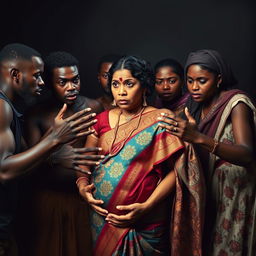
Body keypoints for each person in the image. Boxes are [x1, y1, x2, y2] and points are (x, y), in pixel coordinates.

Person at [76, 56, 205, 255]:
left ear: (144, 86)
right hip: (102, 222)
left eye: (129, 83)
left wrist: (145, 207)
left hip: (148, 222)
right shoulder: (100, 121)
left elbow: (176, 172)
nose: (121, 91)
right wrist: (83, 187)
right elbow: (84, 165)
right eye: (115, 84)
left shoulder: (160, 119)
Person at [0, 43, 99, 256]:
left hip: (78, 200)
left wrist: (52, 152)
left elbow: (24, 162)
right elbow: (5, 170)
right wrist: (54, 143)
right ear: (16, 74)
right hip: (31, 210)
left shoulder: (11, 107)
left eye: (75, 80)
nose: (41, 82)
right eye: (36, 76)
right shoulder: (5, 108)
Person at [159, 49, 256, 255]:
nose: (194, 87)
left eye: (202, 81)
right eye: (190, 80)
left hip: (235, 194)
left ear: (218, 79)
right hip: (207, 192)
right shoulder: (193, 106)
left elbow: (246, 153)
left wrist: (198, 138)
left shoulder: (236, 103)